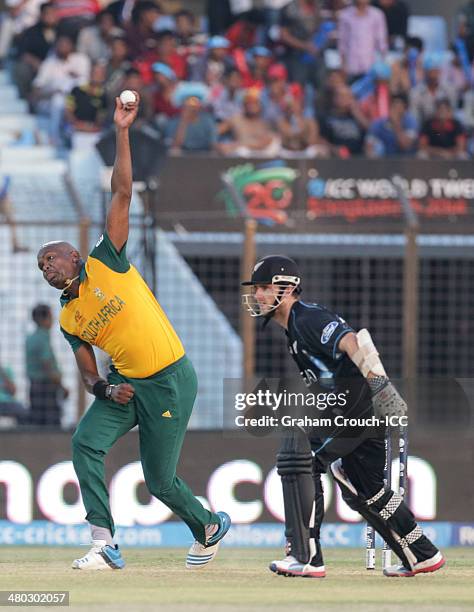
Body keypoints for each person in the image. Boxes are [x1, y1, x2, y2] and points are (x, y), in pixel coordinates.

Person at [36, 93, 230, 570]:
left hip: (169, 379)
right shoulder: (67, 317)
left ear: (75, 256)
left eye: (52, 257)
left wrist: (121, 131)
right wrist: (104, 387)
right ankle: (103, 542)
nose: (46, 265)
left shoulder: (107, 260)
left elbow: (121, 193)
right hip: (126, 386)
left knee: (160, 482)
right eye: (41, 264)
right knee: (84, 442)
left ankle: (207, 525)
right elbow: (85, 375)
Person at [241, 255, 445, 578]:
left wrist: (381, 386)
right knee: (364, 488)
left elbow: (350, 340)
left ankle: (305, 556)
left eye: (264, 288)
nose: (258, 296)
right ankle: (421, 553)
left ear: (287, 287)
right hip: (354, 411)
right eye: (257, 289)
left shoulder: (307, 318)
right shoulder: (293, 330)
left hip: (359, 408)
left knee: (301, 454)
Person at [25, 304, 68, 426]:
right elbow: (47, 365)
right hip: (46, 388)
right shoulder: (43, 337)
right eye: (51, 316)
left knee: (37, 423)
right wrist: (61, 386)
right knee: (52, 424)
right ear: (44, 319)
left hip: (34, 386)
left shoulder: (30, 338)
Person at [338, 0, 388, 81]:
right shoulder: (345, 15)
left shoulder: (377, 15)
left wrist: (381, 65)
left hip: (372, 67)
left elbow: (382, 42)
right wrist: (343, 65)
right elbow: (342, 43)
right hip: (352, 66)